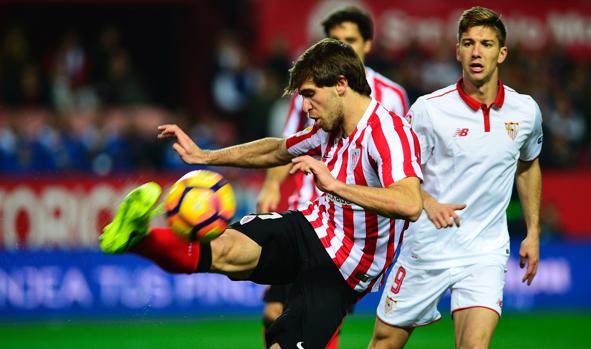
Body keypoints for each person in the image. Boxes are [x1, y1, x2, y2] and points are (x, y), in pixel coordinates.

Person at [100, 38, 423, 349]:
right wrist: (206, 156)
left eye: (310, 95)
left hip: (344, 267)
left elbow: (409, 203)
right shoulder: (329, 127)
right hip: (310, 228)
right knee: (222, 249)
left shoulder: (388, 133)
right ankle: (136, 238)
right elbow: (278, 150)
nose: (306, 107)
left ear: (340, 84)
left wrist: (337, 186)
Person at [368, 6, 543, 349]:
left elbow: (528, 165)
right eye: (469, 42)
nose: (477, 51)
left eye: (487, 44)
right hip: (427, 247)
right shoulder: (429, 110)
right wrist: (428, 203)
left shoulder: (525, 112)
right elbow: (394, 170)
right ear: (457, 50)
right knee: (384, 343)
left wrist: (533, 231)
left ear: (502, 53)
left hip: (485, 251)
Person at [255, 7, 409, 346]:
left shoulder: (393, 97)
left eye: (350, 40)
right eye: (336, 40)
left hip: (352, 229)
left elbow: (401, 163)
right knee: (275, 314)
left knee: (314, 317)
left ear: (368, 44)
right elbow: (287, 146)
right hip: (307, 210)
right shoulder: (309, 93)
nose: (344, 46)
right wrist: (271, 185)